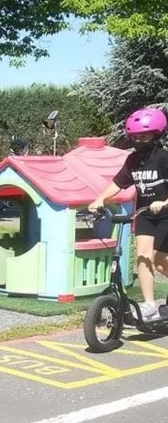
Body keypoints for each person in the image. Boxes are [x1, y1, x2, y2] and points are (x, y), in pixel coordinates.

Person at [89, 107, 168, 320]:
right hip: (144, 214)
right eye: (136, 137)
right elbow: (118, 182)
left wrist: (163, 202)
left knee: (160, 261)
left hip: (166, 214)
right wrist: (100, 199)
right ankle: (149, 305)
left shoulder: (163, 158)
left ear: (157, 135)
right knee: (142, 257)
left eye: (144, 136)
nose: (139, 141)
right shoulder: (132, 160)